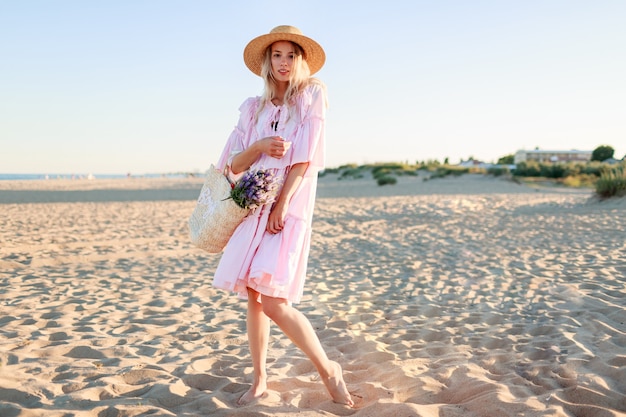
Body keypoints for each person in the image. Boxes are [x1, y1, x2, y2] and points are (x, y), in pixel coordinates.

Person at [212, 25, 354, 407]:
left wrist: (284, 203)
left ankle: (328, 369)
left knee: (273, 300)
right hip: (253, 207)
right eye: (277, 55)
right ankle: (259, 380)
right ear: (267, 61)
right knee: (254, 297)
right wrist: (259, 145)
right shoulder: (251, 108)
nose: (284, 62)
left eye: (292, 55)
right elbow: (232, 165)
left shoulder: (311, 96)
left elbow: (305, 156)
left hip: (286, 207)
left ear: (301, 60)